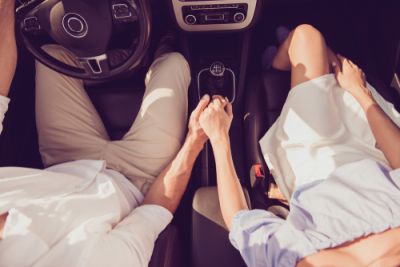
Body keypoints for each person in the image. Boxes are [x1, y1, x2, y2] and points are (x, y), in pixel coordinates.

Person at [0, 1, 211, 266]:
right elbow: (155, 208)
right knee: (173, 64)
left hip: (65, 162)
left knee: (52, 56)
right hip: (138, 177)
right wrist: (195, 138)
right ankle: (149, 50)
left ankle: (126, 56)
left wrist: (5, 6)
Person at [199, 24, 400, 266]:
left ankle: (275, 64)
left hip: (316, 159)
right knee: (324, 55)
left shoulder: (296, 255)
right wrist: (360, 92)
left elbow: (240, 219)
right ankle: (285, 61)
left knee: (307, 38)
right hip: (380, 157)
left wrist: (219, 137)